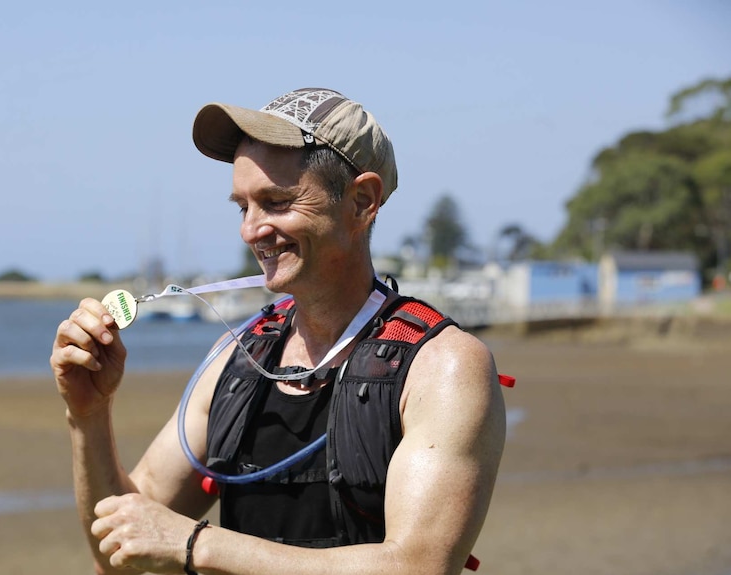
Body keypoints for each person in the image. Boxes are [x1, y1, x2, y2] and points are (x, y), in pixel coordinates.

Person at [50, 87, 507, 575]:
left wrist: (195, 545)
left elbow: (418, 566)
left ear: (362, 201)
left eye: (276, 201)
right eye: (242, 206)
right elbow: (118, 555)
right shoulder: (236, 357)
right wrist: (89, 414)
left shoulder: (443, 367)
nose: (251, 230)